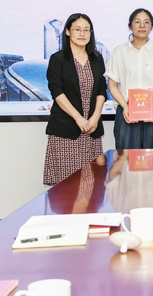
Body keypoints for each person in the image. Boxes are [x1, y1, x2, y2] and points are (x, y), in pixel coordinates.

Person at [44, 13, 107, 186]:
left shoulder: (97, 58)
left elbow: (102, 90)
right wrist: (78, 118)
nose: (82, 34)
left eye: (86, 30)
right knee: (68, 189)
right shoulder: (58, 59)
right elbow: (57, 92)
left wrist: (94, 118)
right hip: (66, 132)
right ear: (67, 32)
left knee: (92, 187)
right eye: (77, 29)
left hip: (91, 130)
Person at [106, 8, 153, 149]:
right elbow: (112, 85)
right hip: (127, 109)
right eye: (137, 22)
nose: (142, 25)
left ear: (151, 27)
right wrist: (125, 106)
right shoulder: (119, 51)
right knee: (126, 157)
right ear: (130, 26)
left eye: (146, 22)